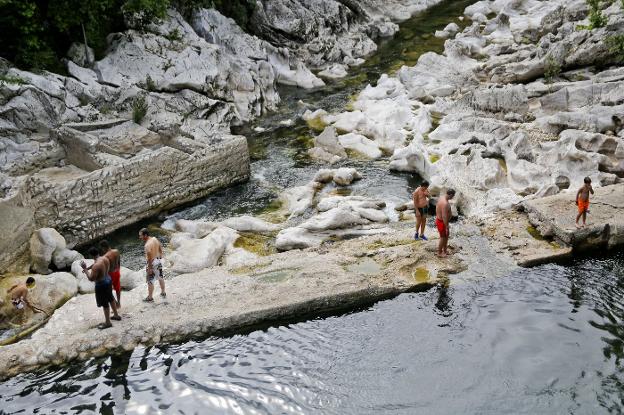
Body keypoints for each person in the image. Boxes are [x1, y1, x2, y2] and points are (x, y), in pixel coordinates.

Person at [81, 247, 121, 329]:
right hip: (108, 280)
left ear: (91, 255)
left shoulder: (96, 266)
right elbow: (96, 264)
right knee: (110, 298)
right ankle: (116, 315)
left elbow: (91, 278)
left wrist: (85, 269)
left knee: (104, 303)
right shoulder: (104, 258)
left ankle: (108, 322)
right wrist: (89, 267)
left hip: (101, 284)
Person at [139, 228, 166, 302]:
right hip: (158, 260)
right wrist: (161, 254)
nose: (140, 237)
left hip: (152, 263)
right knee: (160, 277)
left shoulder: (147, 245)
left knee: (150, 281)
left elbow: (150, 257)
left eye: (141, 236)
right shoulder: (154, 239)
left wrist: (150, 268)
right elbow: (160, 245)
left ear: (145, 235)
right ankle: (163, 292)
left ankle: (150, 297)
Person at [100, 240, 121, 307]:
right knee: (117, 288)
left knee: (107, 290)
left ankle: (115, 303)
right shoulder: (116, 251)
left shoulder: (105, 256)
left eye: (102, 248)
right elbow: (119, 262)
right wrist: (118, 270)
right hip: (117, 271)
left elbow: (104, 267)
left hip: (110, 274)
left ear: (103, 247)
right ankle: (119, 302)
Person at [435, 189, 455, 258]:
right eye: (453, 196)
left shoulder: (441, 198)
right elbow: (444, 216)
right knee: (443, 237)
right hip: (442, 222)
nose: (453, 198)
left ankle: (445, 250)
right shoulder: (445, 203)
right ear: (451, 195)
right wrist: (446, 226)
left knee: (446, 236)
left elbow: (437, 208)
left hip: (441, 221)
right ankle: (439, 252)